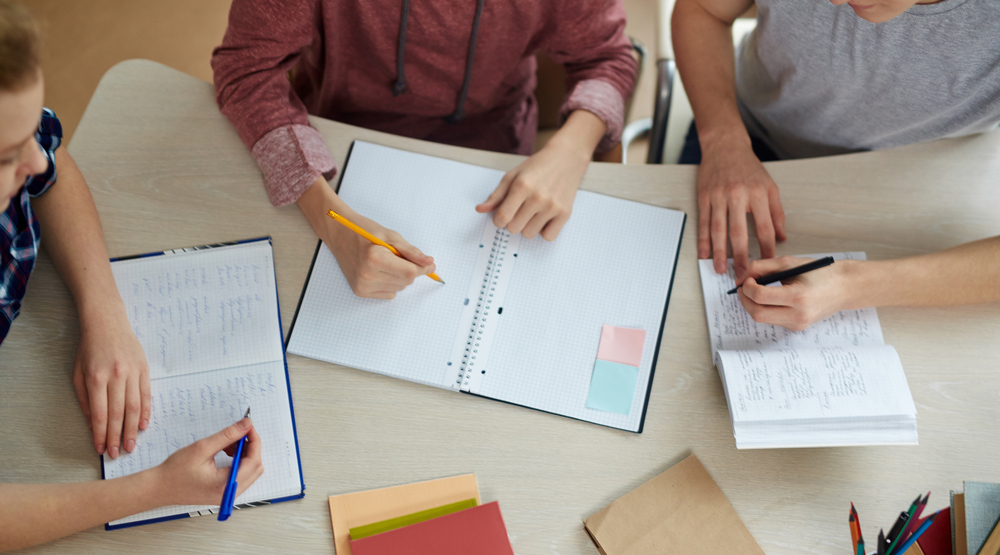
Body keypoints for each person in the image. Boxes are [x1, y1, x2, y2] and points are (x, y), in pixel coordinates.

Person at [0, 1, 263, 551]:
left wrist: (104, 313)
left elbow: (54, 167)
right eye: (5, 156)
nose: (35, 161)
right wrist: (154, 488)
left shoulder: (23, 148)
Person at [212, 0, 638, 299]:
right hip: (337, 146)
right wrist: (331, 221)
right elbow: (245, 71)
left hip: (496, 149)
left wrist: (572, 149)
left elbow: (610, 58)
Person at [673, 0, 1000, 330]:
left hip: (921, 186)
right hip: (742, 134)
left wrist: (852, 284)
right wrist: (723, 140)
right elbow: (702, 10)